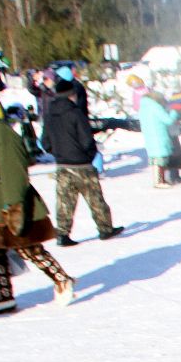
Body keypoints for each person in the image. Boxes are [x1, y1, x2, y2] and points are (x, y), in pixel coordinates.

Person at [0, 79, 76, 313]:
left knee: (27, 246)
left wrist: (14, 204)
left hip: (5, 194)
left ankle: (62, 279)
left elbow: (12, 168)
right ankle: (3, 295)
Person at [40, 77, 122, 246]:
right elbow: (86, 140)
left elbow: (45, 143)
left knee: (64, 201)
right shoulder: (76, 113)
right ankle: (105, 228)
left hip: (62, 165)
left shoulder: (49, 115)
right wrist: (90, 155)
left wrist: (57, 153)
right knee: (95, 198)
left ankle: (62, 234)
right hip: (82, 164)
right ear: (71, 95)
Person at [138, 90, 177, 188]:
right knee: (159, 159)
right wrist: (174, 112)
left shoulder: (144, 107)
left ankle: (159, 180)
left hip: (149, 136)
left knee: (156, 159)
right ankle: (158, 182)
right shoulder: (156, 107)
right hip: (159, 135)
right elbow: (168, 120)